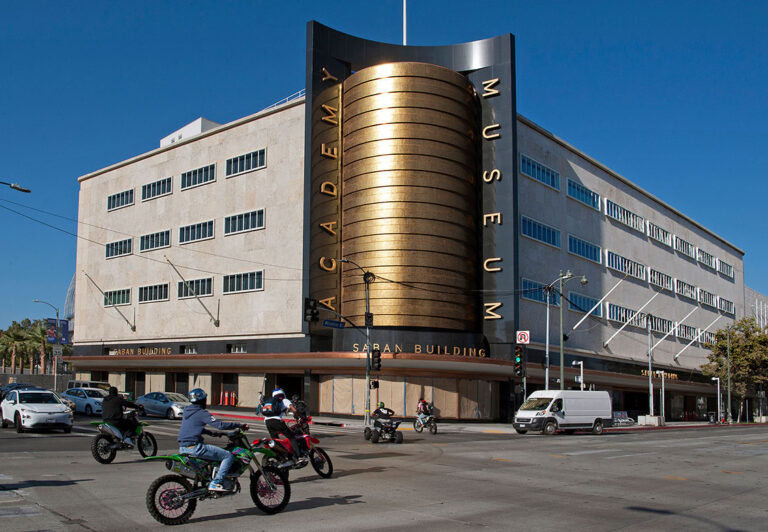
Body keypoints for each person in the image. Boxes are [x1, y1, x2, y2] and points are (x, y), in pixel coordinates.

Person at [177, 388, 249, 492]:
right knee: (228, 456)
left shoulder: (187, 411)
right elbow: (219, 425)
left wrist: (213, 433)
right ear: (202, 400)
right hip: (195, 448)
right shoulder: (201, 412)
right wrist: (239, 425)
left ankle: (209, 481)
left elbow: (195, 428)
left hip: (183, 448)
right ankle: (216, 482)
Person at [262, 388, 303, 464]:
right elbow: (294, 410)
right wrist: (301, 417)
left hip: (267, 422)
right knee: (291, 437)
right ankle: (299, 456)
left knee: (276, 440)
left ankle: (282, 456)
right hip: (277, 421)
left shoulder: (271, 401)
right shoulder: (284, 400)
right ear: (283, 394)